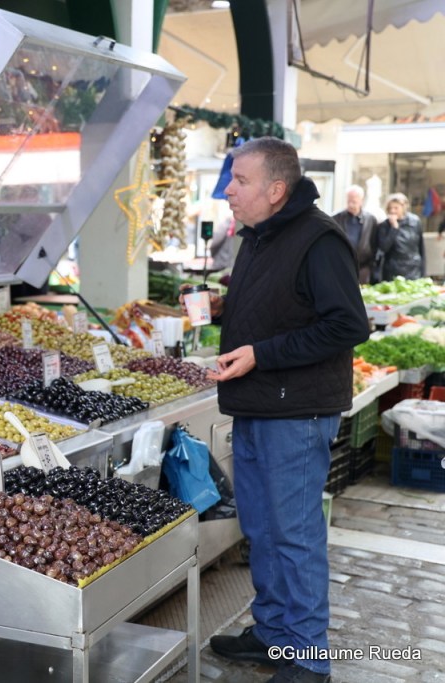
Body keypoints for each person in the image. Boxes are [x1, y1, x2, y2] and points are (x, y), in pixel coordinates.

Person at [182, 138, 369, 683]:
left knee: (294, 535)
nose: (228, 190)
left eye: (239, 180)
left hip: (298, 412)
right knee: (262, 530)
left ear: (276, 189)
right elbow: (283, 306)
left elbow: (347, 325)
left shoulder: (320, 239)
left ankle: (308, 659)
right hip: (259, 405)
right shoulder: (261, 236)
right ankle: (273, 635)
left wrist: (261, 352)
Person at [331, 184, 378, 284]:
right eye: (349, 201)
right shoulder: (335, 218)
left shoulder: (370, 219)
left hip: (363, 267)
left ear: (361, 201)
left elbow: (374, 242)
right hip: (340, 265)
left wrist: (371, 264)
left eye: (354, 202)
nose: (351, 205)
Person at [373, 193, 424, 281]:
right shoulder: (384, 226)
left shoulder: (415, 222)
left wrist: (423, 271)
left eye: (396, 208)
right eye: (390, 208)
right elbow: (383, 248)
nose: (392, 211)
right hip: (393, 270)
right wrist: (394, 228)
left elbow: (421, 247)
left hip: (413, 269)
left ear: (403, 208)